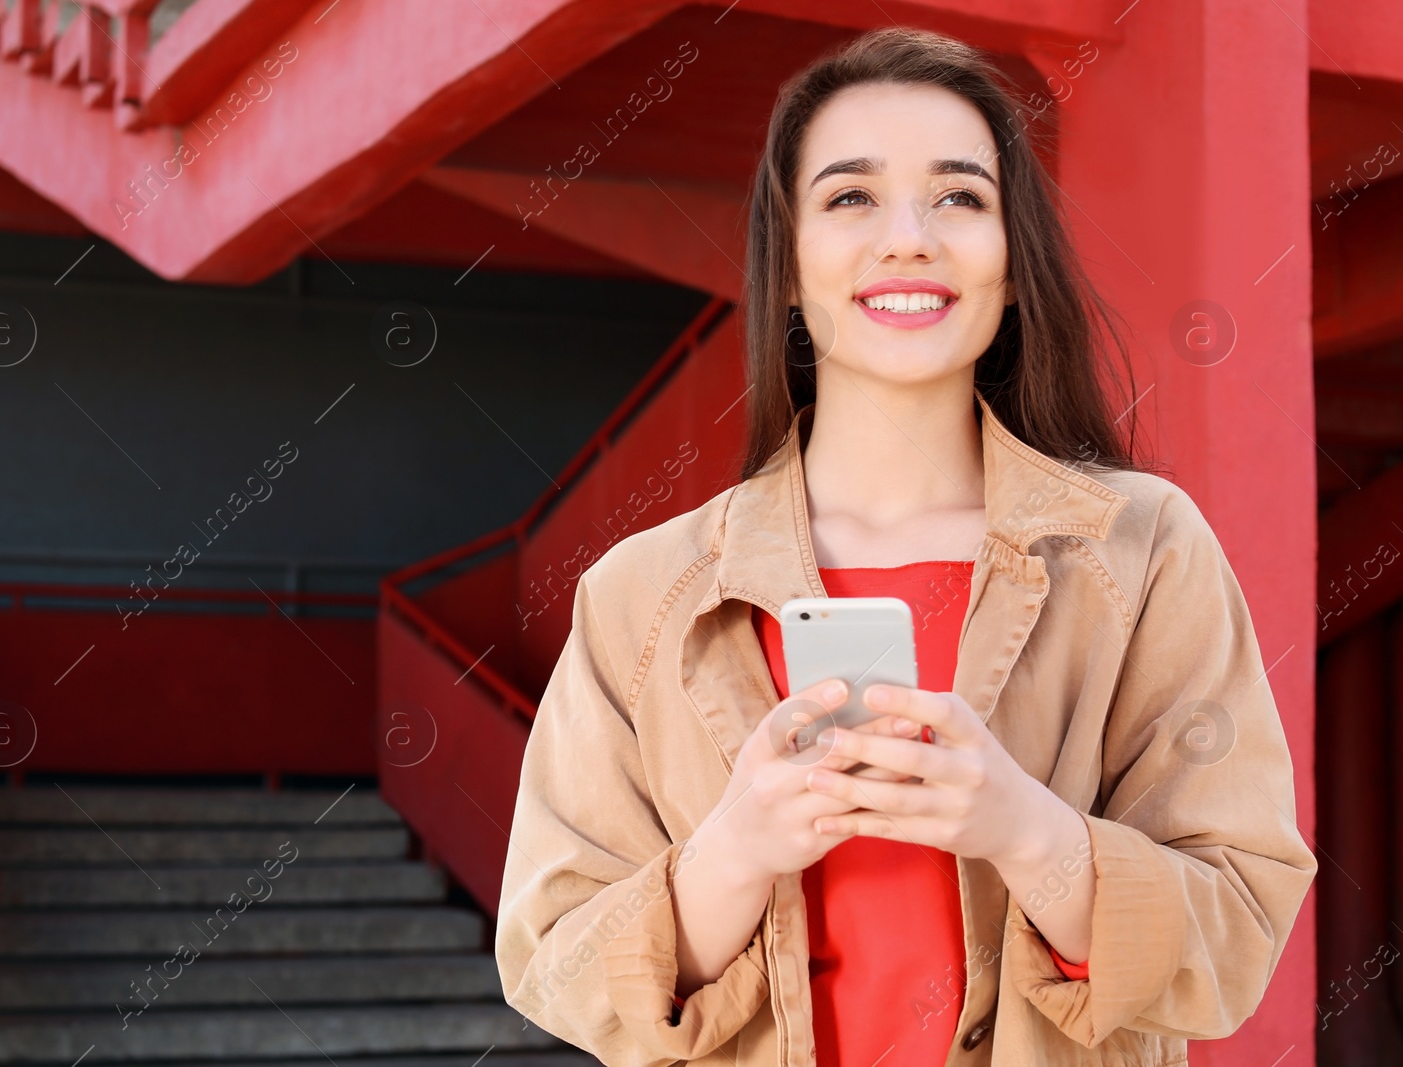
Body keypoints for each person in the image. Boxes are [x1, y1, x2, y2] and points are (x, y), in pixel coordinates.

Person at [494, 26, 1316, 1067]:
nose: (908, 238)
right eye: (849, 197)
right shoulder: (641, 592)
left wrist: (1024, 825)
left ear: (1013, 266)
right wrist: (735, 848)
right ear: (787, 268)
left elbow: (1236, 930)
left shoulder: (1144, 549)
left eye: (959, 197)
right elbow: (554, 964)